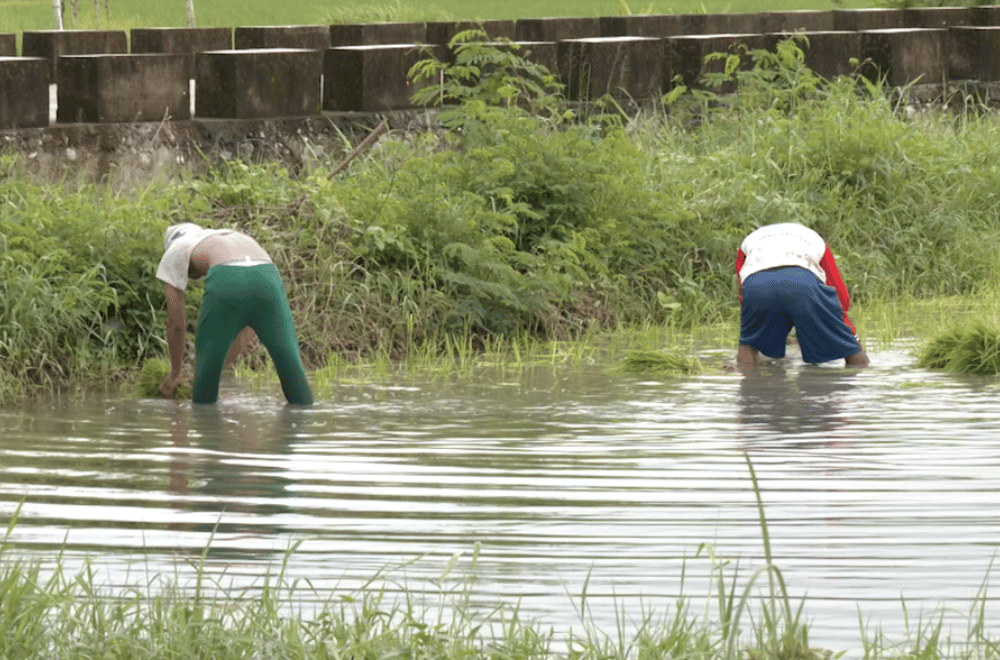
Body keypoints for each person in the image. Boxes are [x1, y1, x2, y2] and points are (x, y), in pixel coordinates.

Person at [156, 222, 314, 405]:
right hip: (268, 276)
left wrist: (176, 373)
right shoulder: (229, 236)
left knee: (204, 395)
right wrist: (217, 365)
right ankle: (305, 415)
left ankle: (204, 416)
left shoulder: (174, 251)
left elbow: (175, 322)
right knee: (291, 367)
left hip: (226, 278)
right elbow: (246, 331)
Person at [735, 222, 869, 369]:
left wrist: (758, 326)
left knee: (748, 343)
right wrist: (847, 335)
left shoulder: (748, 243)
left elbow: (744, 294)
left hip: (758, 287)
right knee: (850, 347)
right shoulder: (816, 241)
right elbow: (841, 299)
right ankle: (861, 372)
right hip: (803, 283)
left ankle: (745, 376)